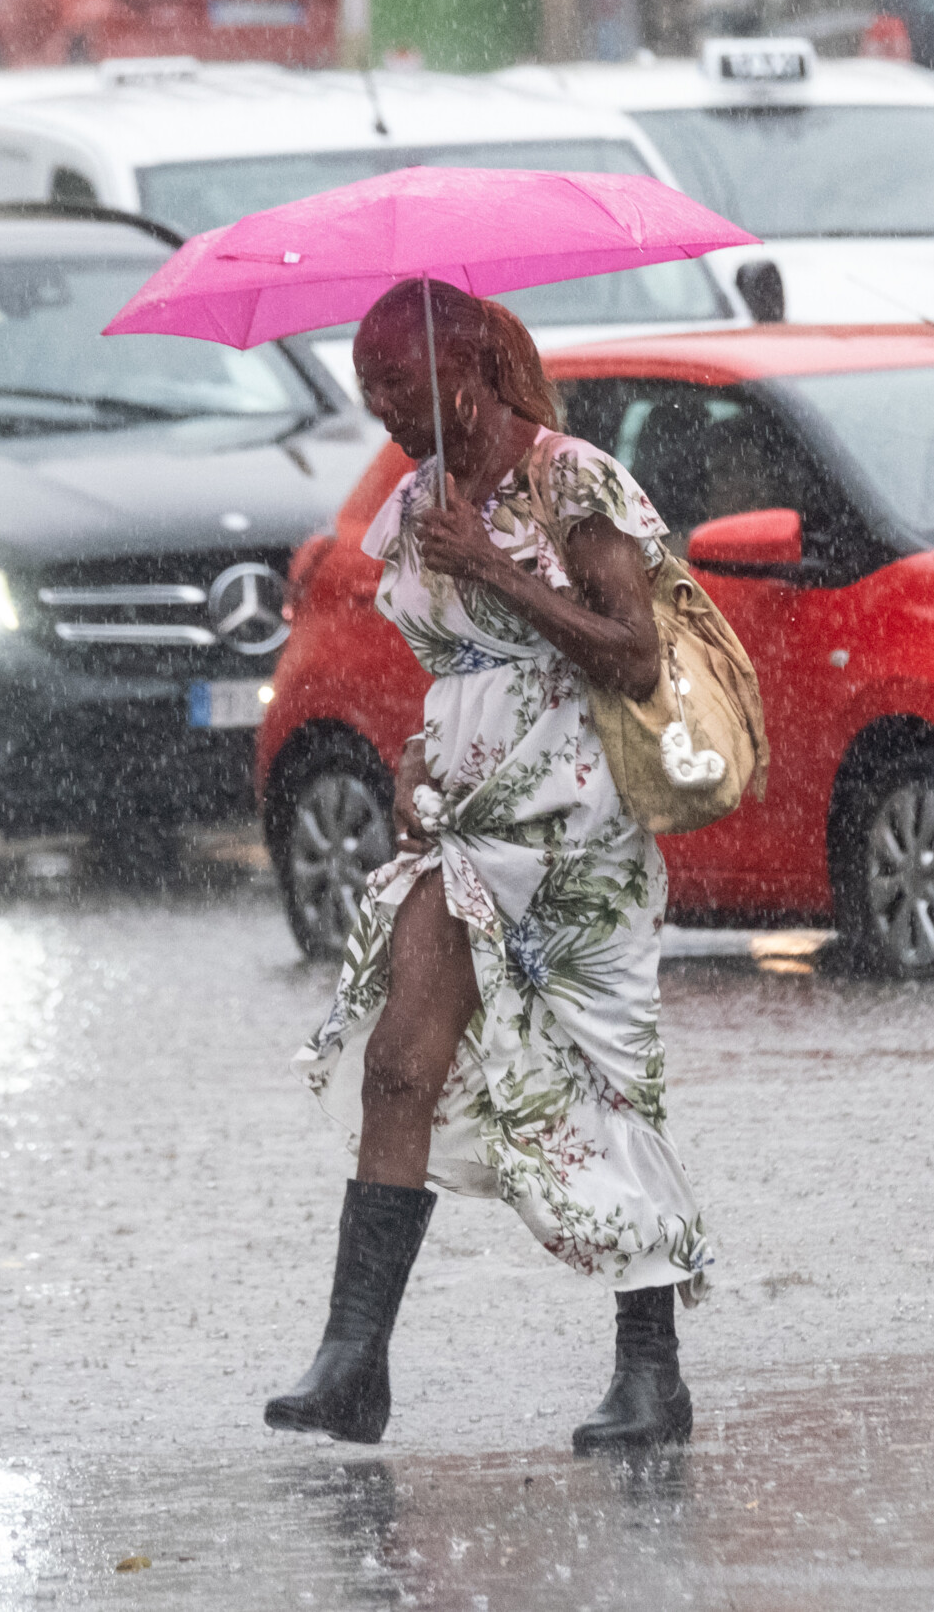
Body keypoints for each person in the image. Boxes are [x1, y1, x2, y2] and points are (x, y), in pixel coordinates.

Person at [265, 278, 711, 1454]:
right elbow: (455, 665)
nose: (383, 413)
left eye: (398, 387)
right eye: (366, 395)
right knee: (398, 1065)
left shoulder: (574, 482)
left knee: (606, 1081)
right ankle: (352, 1364)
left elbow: (630, 653)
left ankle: (649, 1372)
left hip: (576, 826)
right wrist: (417, 759)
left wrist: (497, 565)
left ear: (465, 370)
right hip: (462, 822)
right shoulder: (413, 502)